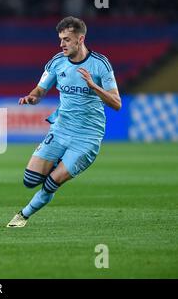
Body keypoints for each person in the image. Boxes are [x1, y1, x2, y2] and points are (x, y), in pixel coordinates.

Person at [7, 16, 122, 227]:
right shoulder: (57, 62)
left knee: (51, 182)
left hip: (87, 137)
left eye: (67, 39)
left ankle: (23, 215)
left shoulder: (100, 65)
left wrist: (93, 86)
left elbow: (116, 103)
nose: (62, 44)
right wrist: (32, 97)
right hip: (60, 129)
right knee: (30, 180)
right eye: (60, 39)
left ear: (80, 39)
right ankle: (60, 162)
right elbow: (40, 89)